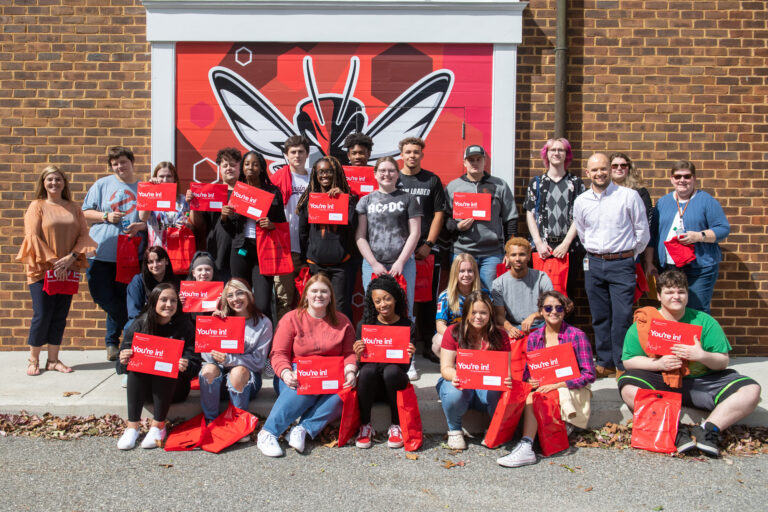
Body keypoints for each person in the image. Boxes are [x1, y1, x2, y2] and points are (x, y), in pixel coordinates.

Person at [618, 270, 760, 457]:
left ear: (687, 294)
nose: (676, 296)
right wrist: (658, 364)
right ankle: (675, 430)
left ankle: (708, 430)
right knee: (628, 387)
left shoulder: (704, 322)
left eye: (681, 292)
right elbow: (629, 361)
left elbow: (722, 362)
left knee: (751, 390)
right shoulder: (645, 322)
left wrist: (701, 355)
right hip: (661, 379)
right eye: (669, 292)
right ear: (659, 296)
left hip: (700, 381)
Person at [257, 274, 357, 457]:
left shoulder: (343, 322)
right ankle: (268, 432)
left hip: (330, 376)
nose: (319, 295)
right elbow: (278, 353)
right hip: (295, 376)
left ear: (330, 296)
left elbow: (350, 353)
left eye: (324, 291)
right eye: (314, 291)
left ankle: (303, 428)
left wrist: (350, 371)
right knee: (309, 382)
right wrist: (286, 373)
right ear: (306, 295)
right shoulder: (291, 319)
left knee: (347, 392)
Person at [497, 291, 595, 467]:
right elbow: (528, 372)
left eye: (559, 308)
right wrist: (530, 381)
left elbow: (589, 374)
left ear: (565, 311)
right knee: (528, 395)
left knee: (534, 398)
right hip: (543, 390)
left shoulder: (576, 335)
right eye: (548, 308)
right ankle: (525, 444)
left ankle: (526, 445)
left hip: (568, 389)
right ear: (541, 311)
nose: (554, 312)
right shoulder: (535, 337)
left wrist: (559, 384)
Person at [573, 152, 650, 378]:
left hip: (622, 263)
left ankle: (622, 363)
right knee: (599, 315)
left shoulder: (628, 196)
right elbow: (582, 232)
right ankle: (604, 361)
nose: (599, 173)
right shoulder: (581, 201)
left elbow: (642, 231)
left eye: (603, 168)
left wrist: (628, 255)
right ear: (588, 173)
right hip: (594, 263)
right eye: (594, 170)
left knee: (622, 315)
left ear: (610, 170)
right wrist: (597, 253)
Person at [17, 166, 97, 375]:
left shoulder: (73, 207)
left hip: (68, 268)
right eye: (50, 179)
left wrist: (70, 258)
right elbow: (32, 237)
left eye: (58, 179)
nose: (54, 183)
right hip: (42, 269)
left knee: (60, 315)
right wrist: (55, 262)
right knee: (42, 314)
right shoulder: (37, 206)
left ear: (64, 182)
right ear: (43, 183)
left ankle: (53, 360)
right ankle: (33, 359)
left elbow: (83, 236)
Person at [116, 283, 200, 450]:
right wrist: (124, 359)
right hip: (144, 389)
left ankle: (158, 426)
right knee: (136, 367)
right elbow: (120, 366)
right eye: (164, 300)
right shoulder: (139, 325)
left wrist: (187, 364)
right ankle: (132, 427)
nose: (169, 305)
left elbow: (195, 363)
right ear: (153, 302)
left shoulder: (185, 326)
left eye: (173, 300)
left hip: (174, 388)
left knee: (165, 366)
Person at [82, 146, 146, 361]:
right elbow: (85, 213)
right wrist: (106, 216)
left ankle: (112, 343)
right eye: (115, 163)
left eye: (123, 162)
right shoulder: (102, 184)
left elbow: (149, 219)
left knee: (122, 297)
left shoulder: (142, 187)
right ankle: (133, 328)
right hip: (99, 252)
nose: (119, 166)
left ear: (132, 162)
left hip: (129, 255)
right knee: (101, 295)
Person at [645, 160, 729, 314]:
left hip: (699, 267)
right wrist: (649, 263)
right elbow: (652, 235)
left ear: (694, 178)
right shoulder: (663, 202)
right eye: (677, 177)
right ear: (671, 179)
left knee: (696, 309)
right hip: (669, 267)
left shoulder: (707, 201)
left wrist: (699, 236)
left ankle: (697, 339)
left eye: (687, 176)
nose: (682, 180)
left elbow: (723, 229)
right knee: (672, 309)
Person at [436, 291, 514, 450]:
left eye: (483, 312)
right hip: (461, 384)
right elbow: (446, 369)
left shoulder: (500, 335)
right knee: (452, 390)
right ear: (466, 313)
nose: (478, 317)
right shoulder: (453, 331)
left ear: (490, 314)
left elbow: (506, 372)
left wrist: (506, 379)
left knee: (501, 390)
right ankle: (455, 430)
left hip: (486, 388)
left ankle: (493, 429)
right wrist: (455, 375)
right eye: (474, 312)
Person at [396, 137, 447, 366]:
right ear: (401, 154)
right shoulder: (394, 178)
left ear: (422, 155)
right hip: (397, 251)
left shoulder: (432, 180)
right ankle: (397, 344)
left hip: (425, 250)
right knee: (398, 298)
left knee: (427, 300)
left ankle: (427, 344)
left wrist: (428, 243)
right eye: (408, 152)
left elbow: (439, 213)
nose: (412, 156)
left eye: (416, 152)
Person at [355, 156, 422, 324]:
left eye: (391, 170)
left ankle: (407, 350)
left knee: (405, 307)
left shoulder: (409, 199)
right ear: (375, 174)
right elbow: (360, 236)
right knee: (373, 307)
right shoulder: (365, 201)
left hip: (403, 264)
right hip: (373, 265)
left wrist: (400, 262)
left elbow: (415, 233)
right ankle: (375, 348)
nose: (387, 174)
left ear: (397, 174)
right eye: (382, 171)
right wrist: (374, 264)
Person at [352, 275, 416, 449]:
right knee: (367, 371)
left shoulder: (407, 326)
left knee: (392, 371)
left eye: (387, 299)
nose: (383, 305)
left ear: (395, 297)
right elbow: (362, 367)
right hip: (372, 386)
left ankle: (396, 425)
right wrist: (358, 356)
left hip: (394, 384)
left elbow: (404, 368)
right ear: (372, 302)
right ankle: (365, 425)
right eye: (378, 301)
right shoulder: (365, 325)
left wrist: (409, 355)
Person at [199, 278, 272, 428]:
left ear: (249, 295)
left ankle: (237, 421)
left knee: (238, 371)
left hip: (246, 380)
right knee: (208, 369)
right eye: (230, 295)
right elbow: (205, 356)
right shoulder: (221, 318)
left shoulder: (264, 323)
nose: (235, 299)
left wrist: (229, 359)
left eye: (240, 293)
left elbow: (258, 362)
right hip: (219, 381)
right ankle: (210, 421)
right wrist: (214, 329)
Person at [221, 150, 285, 319]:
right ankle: (240, 341)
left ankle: (266, 342)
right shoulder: (238, 190)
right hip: (240, 250)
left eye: (255, 164)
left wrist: (271, 225)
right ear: (242, 167)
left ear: (262, 168)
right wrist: (224, 216)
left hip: (263, 250)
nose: (251, 167)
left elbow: (281, 224)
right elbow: (230, 229)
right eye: (247, 164)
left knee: (263, 303)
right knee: (239, 302)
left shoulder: (273, 192)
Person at [445, 145, 518, 291]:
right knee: (461, 295)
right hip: (462, 252)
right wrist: (457, 227)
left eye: (479, 159)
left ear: (484, 161)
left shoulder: (500, 185)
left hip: (491, 253)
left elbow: (510, 218)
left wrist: (510, 249)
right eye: (471, 160)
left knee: (491, 294)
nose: (475, 163)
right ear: (464, 162)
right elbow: (444, 220)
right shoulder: (453, 187)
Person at [297, 155, 358, 319]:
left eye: (329, 171)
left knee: (340, 307)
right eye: (321, 172)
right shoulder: (309, 200)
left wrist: (342, 200)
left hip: (342, 265)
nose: (325, 175)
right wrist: (305, 258)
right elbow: (303, 233)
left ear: (337, 173)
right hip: (316, 264)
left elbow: (353, 225)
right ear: (315, 175)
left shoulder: (349, 199)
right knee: (316, 306)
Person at [270, 136, 311, 320]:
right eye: (293, 152)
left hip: (309, 250)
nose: (297, 155)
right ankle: (284, 343)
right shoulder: (276, 180)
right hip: (284, 249)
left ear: (307, 154)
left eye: (301, 151)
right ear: (286, 155)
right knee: (284, 301)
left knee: (309, 299)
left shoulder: (315, 177)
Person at [524, 138, 584, 261]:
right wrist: (538, 243)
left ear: (567, 154)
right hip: (543, 249)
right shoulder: (537, 183)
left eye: (561, 150)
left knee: (569, 281)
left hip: (569, 248)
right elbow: (530, 214)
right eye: (553, 150)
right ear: (546, 154)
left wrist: (566, 244)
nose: (556, 153)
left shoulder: (576, 183)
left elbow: (580, 216)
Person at [187, 147, 242, 281]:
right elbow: (199, 224)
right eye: (225, 165)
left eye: (233, 165)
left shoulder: (247, 194)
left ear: (239, 167)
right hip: (217, 254)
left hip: (242, 254)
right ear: (219, 169)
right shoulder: (210, 192)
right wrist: (194, 205)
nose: (229, 168)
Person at [492, 237, 553, 339]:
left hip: (541, 325)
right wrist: (510, 328)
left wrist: (534, 316)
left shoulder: (542, 277)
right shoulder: (498, 283)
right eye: (513, 255)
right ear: (507, 257)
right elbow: (499, 316)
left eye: (522, 254)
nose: (517, 259)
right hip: (514, 326)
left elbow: (551, 307)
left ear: (529, 256)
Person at [431, 253, 486, 358]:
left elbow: (492, 322)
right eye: (461, 271)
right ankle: (451, 366)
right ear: (455, 273)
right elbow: (440, 326)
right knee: (438, 341)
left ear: (475, 273)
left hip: (478, 335)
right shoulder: (445, 296)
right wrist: (460, 335)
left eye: (470, 271)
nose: (466, 275)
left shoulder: (484, 295)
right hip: (455, 336)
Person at [139, 161, 191, 249]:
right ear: (155, 177)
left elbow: (191, 225)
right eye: (161, 176)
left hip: (179, 251)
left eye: (169, 176)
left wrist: (186, 225)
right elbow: (142, 217)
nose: (165, 180)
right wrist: (150, 190)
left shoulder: (183, 200)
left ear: (174, 179)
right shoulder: (151, 197)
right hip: (156, 252)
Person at [126, 246, 178, 329]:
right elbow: (134, 311)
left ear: (166, 261)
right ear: (146, 264)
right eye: (150, 262)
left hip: (169, 320)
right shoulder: (138, 281)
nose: (155, 265)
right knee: (130, 325)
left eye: (158, 260)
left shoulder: (175, 281)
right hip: (145, 321)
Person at [608, 152, 653, 227]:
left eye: (623, 165)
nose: (619, 168)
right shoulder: (604, 191)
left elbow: (644, 220)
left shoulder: (640, 192)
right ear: (609, 168)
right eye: (614, 166)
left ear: (628, 168)